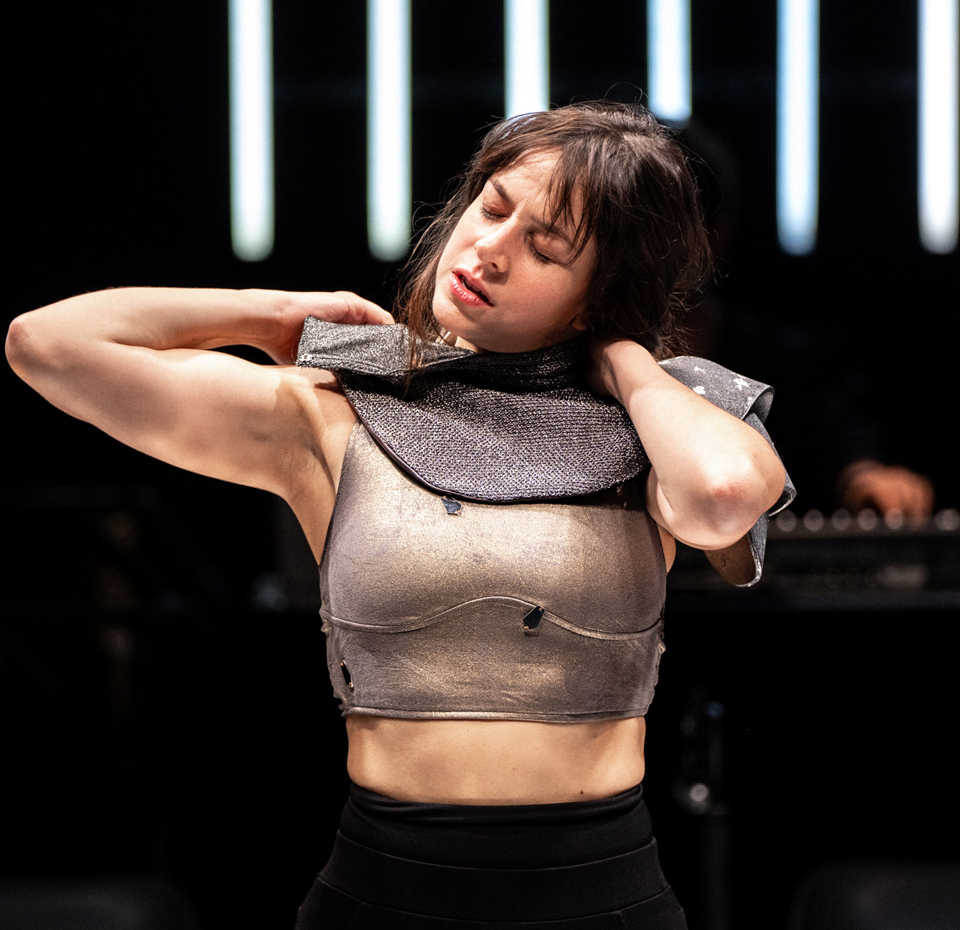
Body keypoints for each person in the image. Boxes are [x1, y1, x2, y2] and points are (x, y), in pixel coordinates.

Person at [6, 101, 791, 928]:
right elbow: (45, 345)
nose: (489, 249)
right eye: (491, 207)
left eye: (545, 247)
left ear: (599, 294)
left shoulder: (665, 423)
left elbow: (722, 497)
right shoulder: (336, 409)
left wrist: (625, 359)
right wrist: (266, 313)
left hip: (602, 896)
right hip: (381, 891)